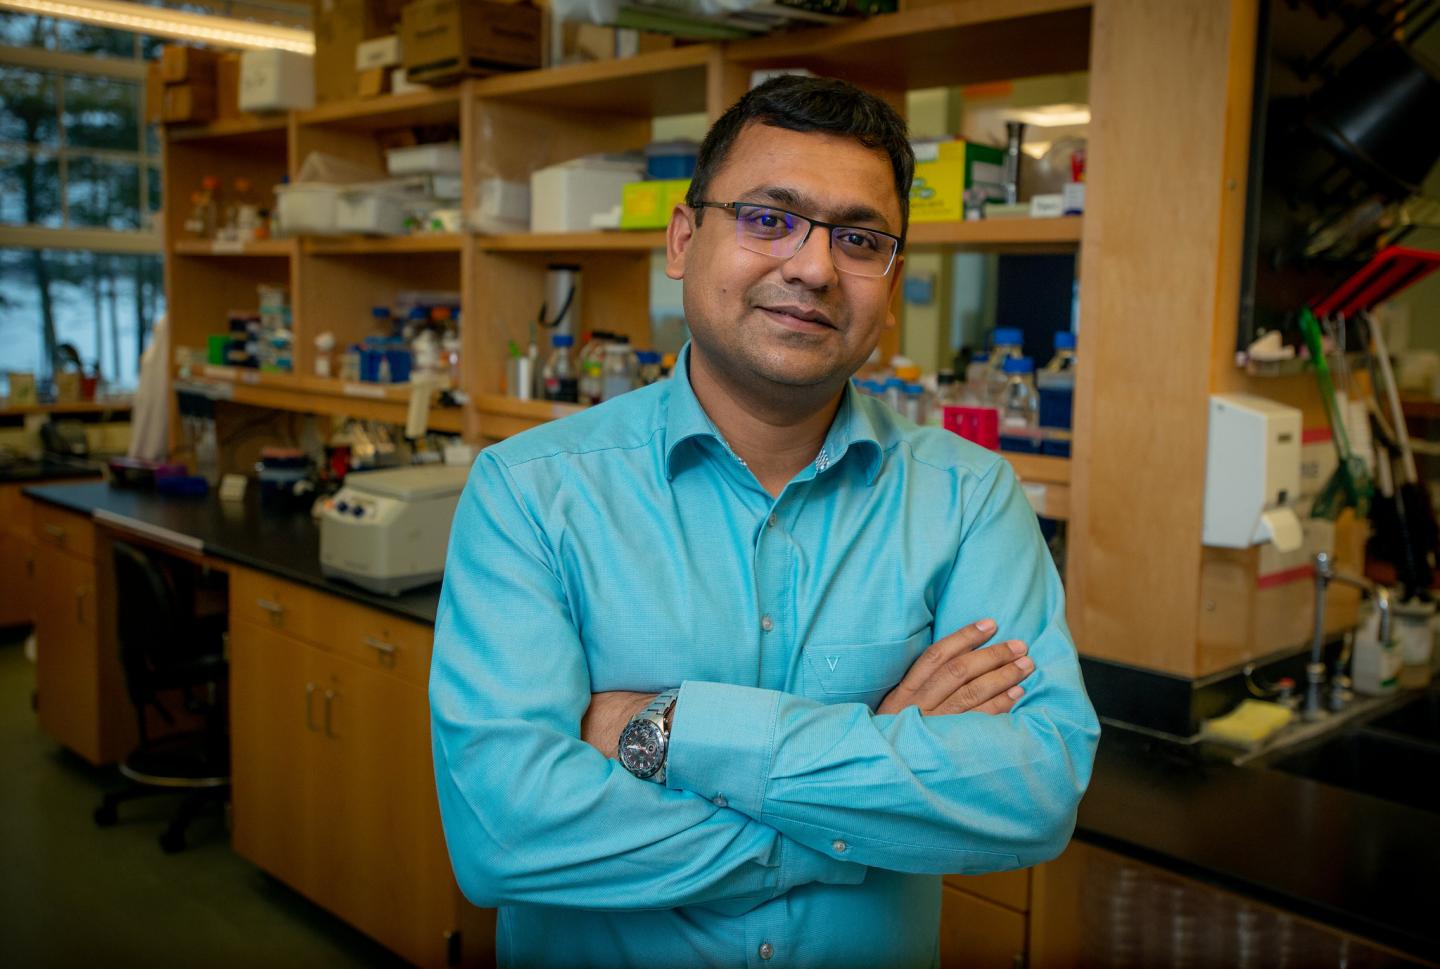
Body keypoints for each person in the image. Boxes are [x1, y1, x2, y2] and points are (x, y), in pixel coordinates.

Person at [431, 75, 1099, 969]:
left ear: (892, 282)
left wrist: (675, 730)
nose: (815, 268)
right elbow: (505, 835)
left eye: (859, 239)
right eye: (768, 218)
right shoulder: (529, 492)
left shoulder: (969, 497)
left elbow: (1036, 790)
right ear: (683, 239)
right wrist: (868, 797)